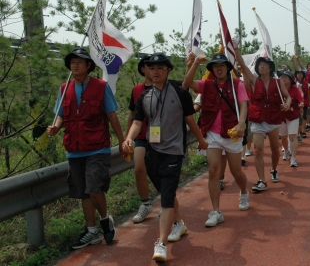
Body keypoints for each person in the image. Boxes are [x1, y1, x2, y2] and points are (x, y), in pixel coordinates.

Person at [122, 53, 208, 262]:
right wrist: (129, 138)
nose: (156, 71)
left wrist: (201, 141)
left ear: (168, 70)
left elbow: (190, 120)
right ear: (147, 71)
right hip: (153, 151)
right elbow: (137, 122)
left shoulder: (180, 94)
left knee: (166, 197)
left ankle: (161, 243)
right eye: (152, 68)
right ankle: (178, 222)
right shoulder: (144, 97)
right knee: (165, 191)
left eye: (160, 67)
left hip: (174, 151)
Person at [47, 47, 125, 250]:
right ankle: (91, 232)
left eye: (79, 62)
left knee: (94, 188)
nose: (75, 65)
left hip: (98, 147)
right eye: (72, 62)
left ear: (88, 65)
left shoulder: (101, 87)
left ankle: (105, 219)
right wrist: (55, 127)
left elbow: (112, 115)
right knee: (83, 192)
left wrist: (122, 140)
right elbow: (61, 115)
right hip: (74, 148)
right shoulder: (65, 88)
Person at [183, 53, 249, 227]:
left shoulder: (237, 85)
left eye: (222, 65)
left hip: (231, 132)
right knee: (213, 170)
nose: (218, 68)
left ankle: (243, 191)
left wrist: (241, 123)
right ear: (212, 69)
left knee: (236, 172)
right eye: (215, 66)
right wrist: (194, 64)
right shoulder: (207, 85)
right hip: (211, 133)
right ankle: (216, 211)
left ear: (227, 67)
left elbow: (243, 105)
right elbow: (187, 84)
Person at [235, 47, 291, 192]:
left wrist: (287, 104)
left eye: (265, 64)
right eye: (260, 65)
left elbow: (288, 97)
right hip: (258, 120)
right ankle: (261, 180)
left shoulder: (278, 83)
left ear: (270, 67)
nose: (262, 67)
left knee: (274, 149)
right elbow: (244, 66)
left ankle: (273, 169)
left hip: (273, 120)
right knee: (258, 149)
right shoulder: (254, 80)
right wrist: (235, 49)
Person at [125, 55, 154, 223]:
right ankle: (145, 204)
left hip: (162, 138)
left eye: (156, 66)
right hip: (142, 136)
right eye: (149, 66)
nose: (152, 70)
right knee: (138, 169)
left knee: (158, 171)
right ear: (142, 69)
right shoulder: (137, 90)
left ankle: (167, 203)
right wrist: (126, 136)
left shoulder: (166, 88)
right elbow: (132, 115)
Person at [278, 70, 304, 167]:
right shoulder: (277, 89)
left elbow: (300, 99)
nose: (283, 79)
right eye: (282, 77)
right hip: (281, 117)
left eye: (285, 77)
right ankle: (286, 151)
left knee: (292, 136)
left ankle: (293, 158)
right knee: (284, 137)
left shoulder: (295, 89)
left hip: (293, 116)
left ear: (290, 79)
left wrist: (301, 103)